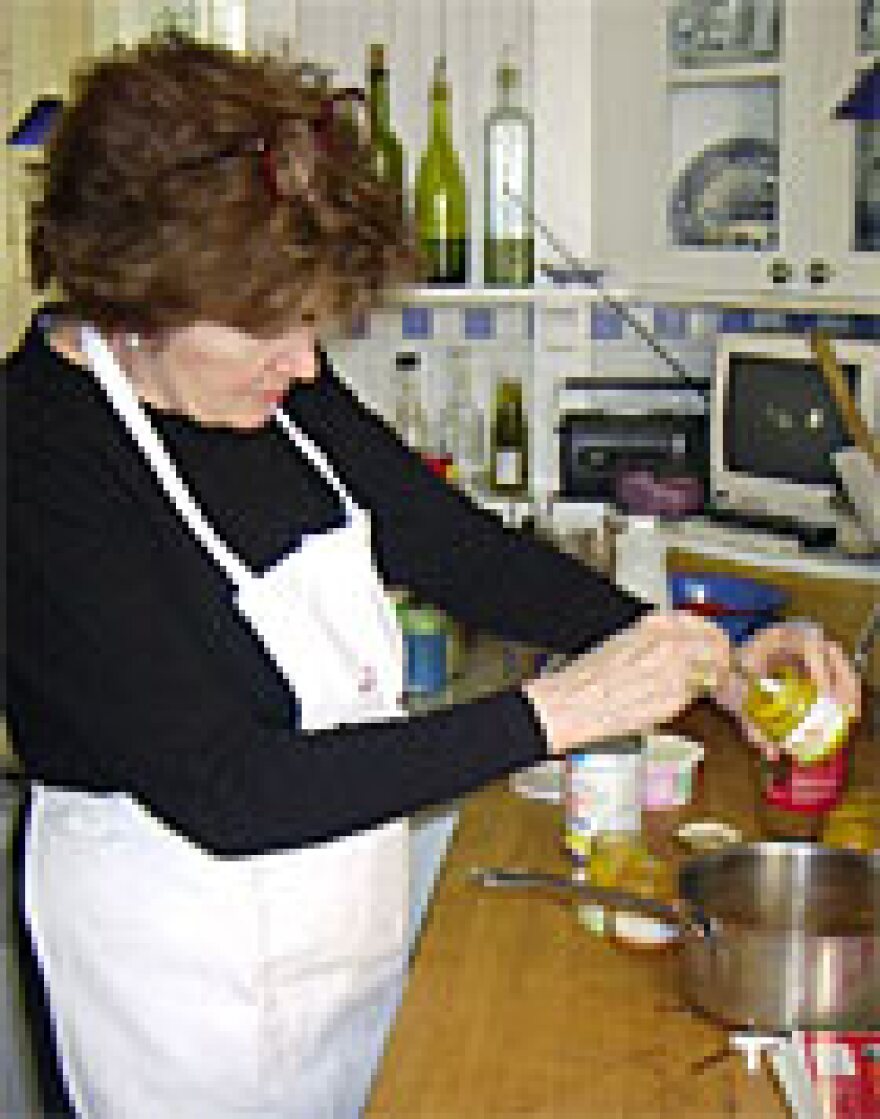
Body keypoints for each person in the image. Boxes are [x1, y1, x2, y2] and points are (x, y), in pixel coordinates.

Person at [2, 35, 860, 1119]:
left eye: (314, 321)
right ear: (136, 299)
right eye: (273, 328)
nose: (307, 364)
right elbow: (224, 790)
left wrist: (714, 661)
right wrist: (563, 709)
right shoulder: (34, 459)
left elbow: (452, 547)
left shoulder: (277, 396)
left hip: (329, 941)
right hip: (173, 985)